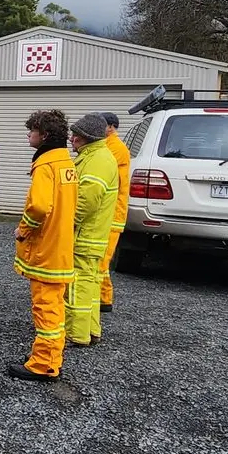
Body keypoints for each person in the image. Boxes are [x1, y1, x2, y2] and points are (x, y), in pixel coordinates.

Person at [8, 109, 78, 382]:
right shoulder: (66, 164)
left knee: (45, 307)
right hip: (60, 246)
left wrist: (23, 230)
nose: (28, 134)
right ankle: (50, 357)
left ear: (44, 135)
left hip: (46, 249)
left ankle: (43, 365)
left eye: (32, 130)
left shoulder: (45, 166)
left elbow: (38, 206)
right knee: (55, 307)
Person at [66, 113, 119, 347]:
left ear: (85, 137)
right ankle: (91, 331)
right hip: (92, 236)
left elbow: (86, 201)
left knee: (79, 286)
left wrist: (67, 224)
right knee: (90, 285)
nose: (71, 139)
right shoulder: (97, 156)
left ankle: (76, 335)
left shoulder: (97, 160)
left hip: (85, 237)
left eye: (75, 135)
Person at [97, 112, 131, 314]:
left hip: (112, 213)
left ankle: (103, 298)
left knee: (101, 258)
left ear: (111, 126)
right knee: (100, 258)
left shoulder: (115, 149)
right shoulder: (109, 146)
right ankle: (102, 298)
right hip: (108, 212)